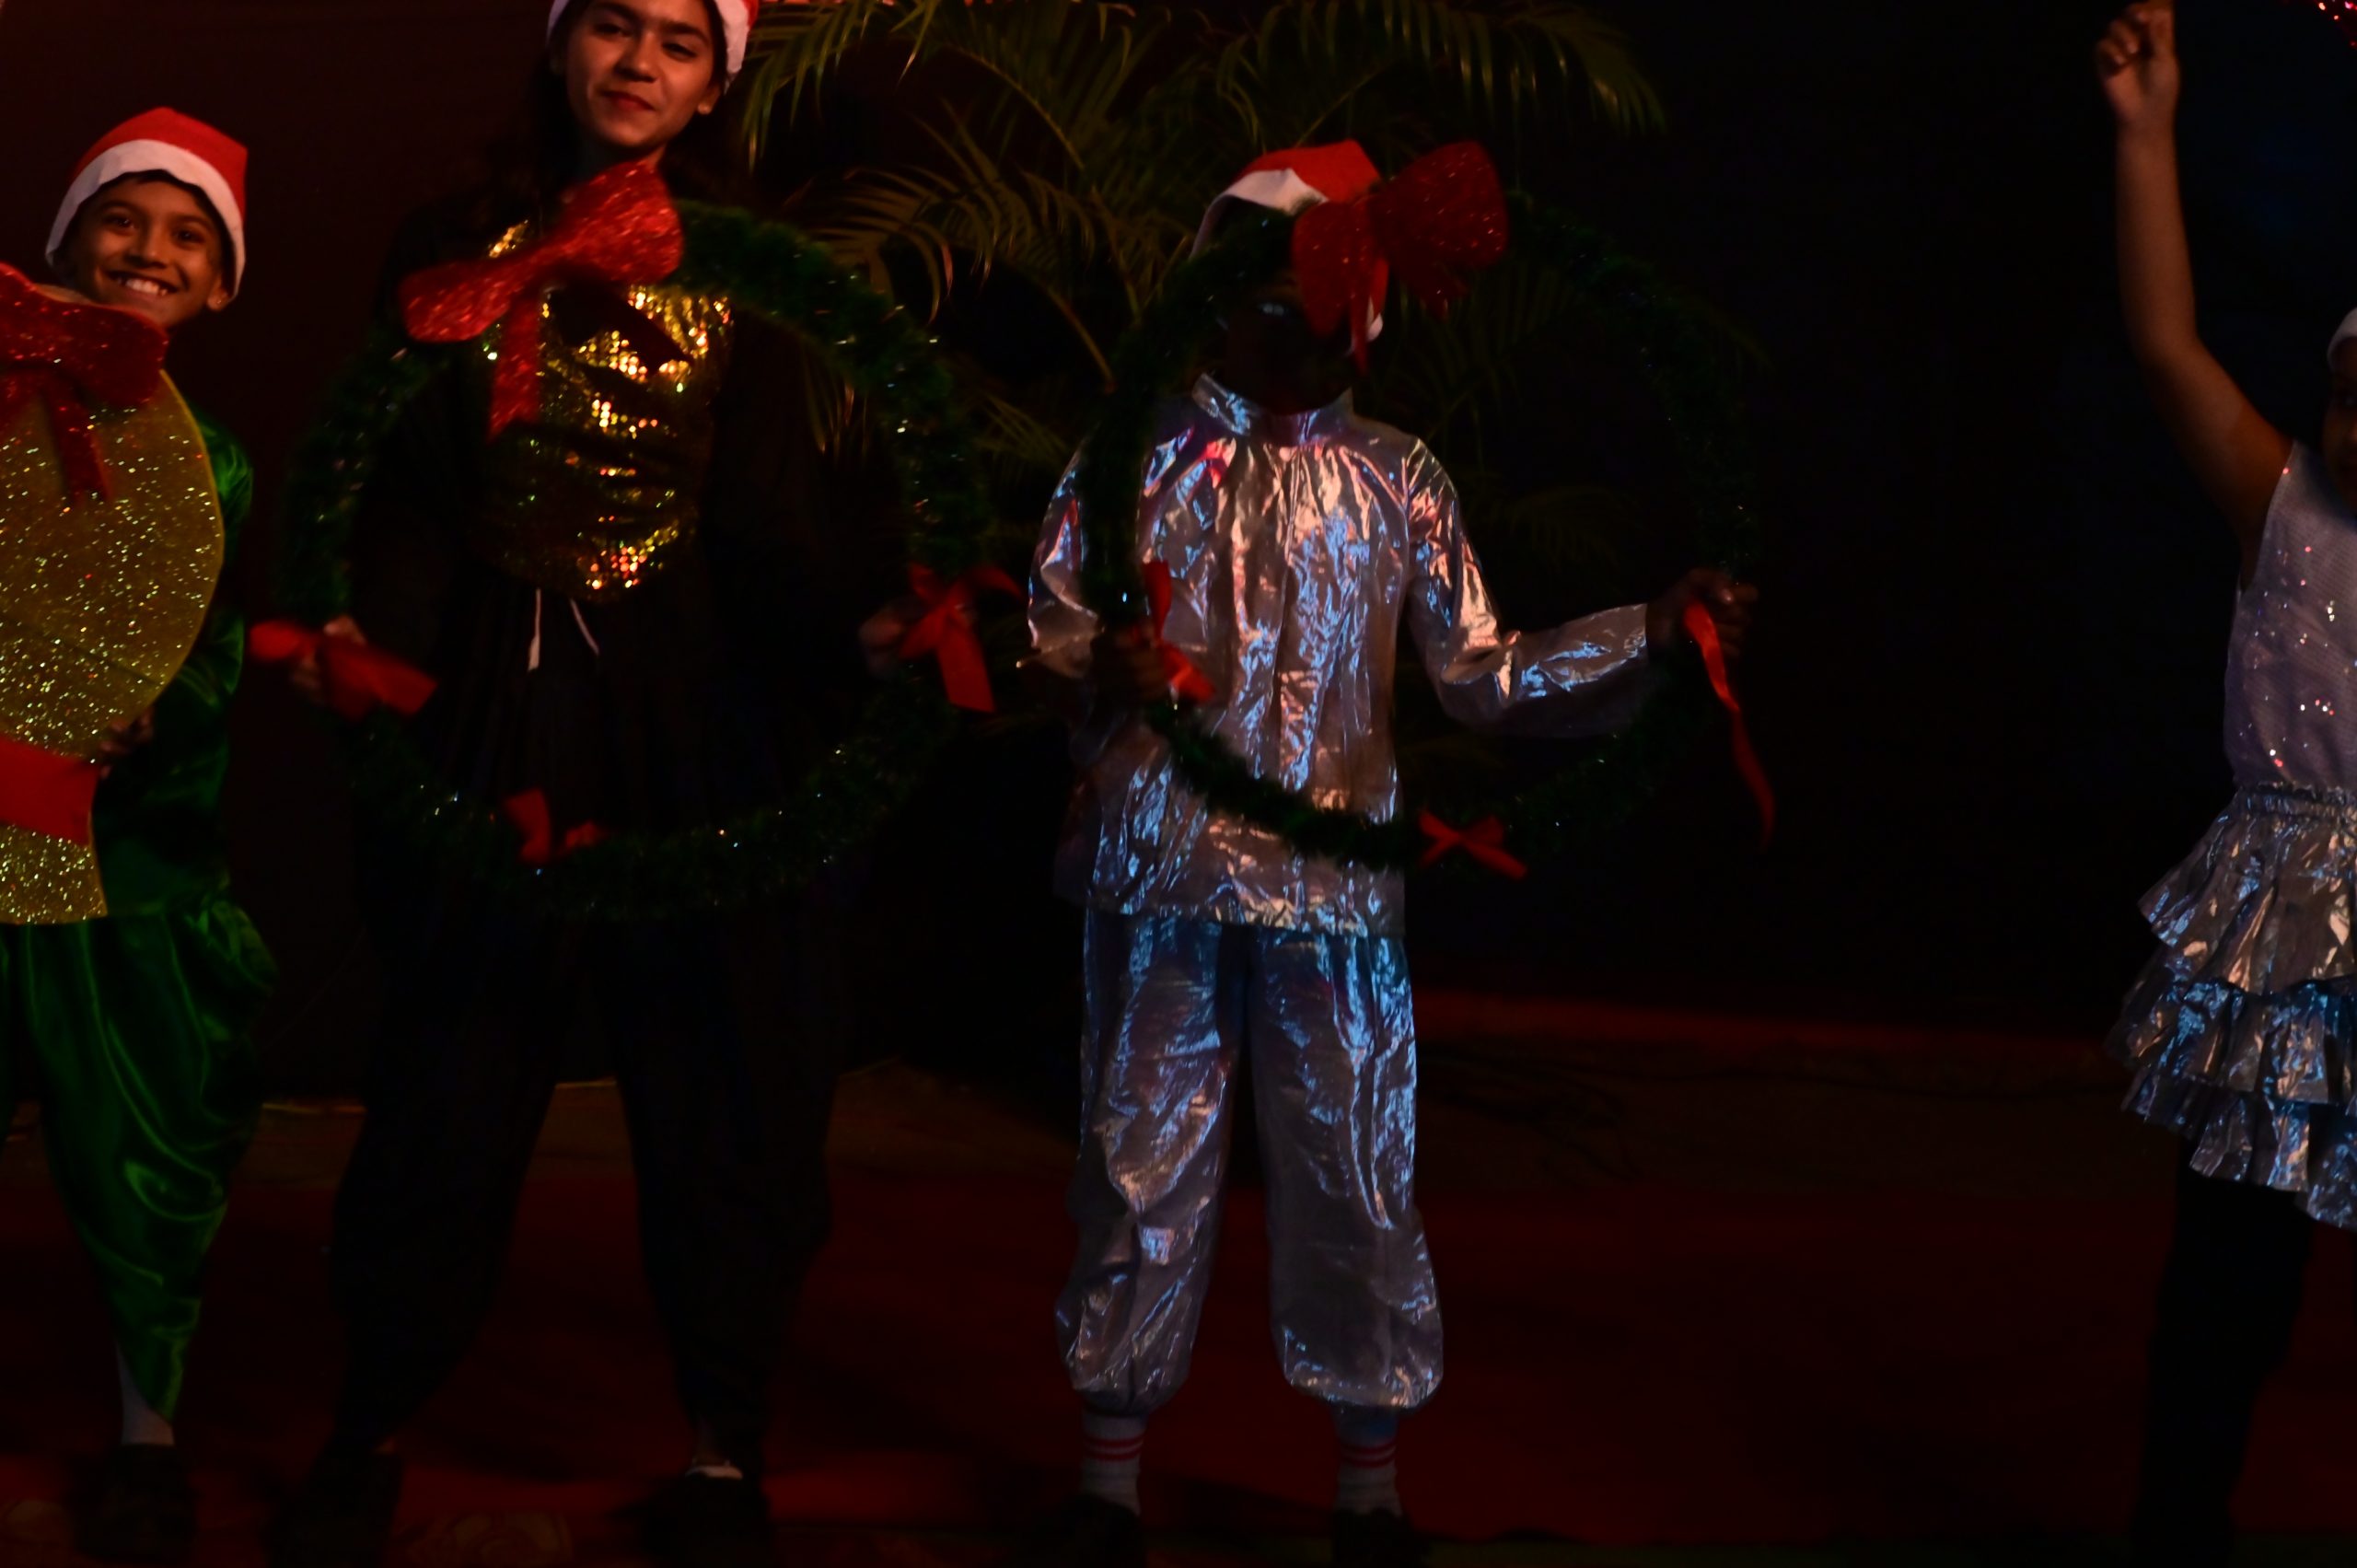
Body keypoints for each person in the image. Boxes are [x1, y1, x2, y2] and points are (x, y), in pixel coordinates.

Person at [1013, 141, 1757, 1568]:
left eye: (1318, 306)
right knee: (1136, 1162)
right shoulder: (1133, 457)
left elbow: (1482, 673)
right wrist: (1097, 663)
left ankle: (1371, 1494)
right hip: (1159, 870)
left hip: (1336, 889)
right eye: (1264, 300)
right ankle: (1107, 1486)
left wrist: (1651, 636)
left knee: (1356, 1166)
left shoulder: (1396, 476)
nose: (1290, 332)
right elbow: (1048, 631)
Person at [265, 5, 885, 1566]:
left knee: (723, 1075)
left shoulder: (750, 269)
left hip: (689, 698)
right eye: (613, 24)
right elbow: (405, 490)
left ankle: (723, 1450)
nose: (639, 62)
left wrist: (867, 630)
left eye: (678, 41)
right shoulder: (453, 240)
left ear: (714, 82)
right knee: (450, 1069)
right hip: (498, 679)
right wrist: (369, 636)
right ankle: (370, 1424)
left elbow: (772, 519)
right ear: (559, 48)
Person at [2099, 4, 2357, 1562]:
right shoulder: (2286, 508)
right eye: (2348, 394)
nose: (2356, 425)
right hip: (2283, 951)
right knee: (2232, 1278)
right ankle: (2175, 1523)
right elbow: (2165, 344)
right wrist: (2147, 132)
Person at [0, 107, 274, 1563]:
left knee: (142, 1156)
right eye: (123, 219)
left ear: (220, 284)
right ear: (67, 242)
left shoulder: (212, 462)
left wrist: (154, 711)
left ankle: (145, 1437)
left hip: (124, 861)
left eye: (187, 236)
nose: (149, 251)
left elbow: (208, 652)